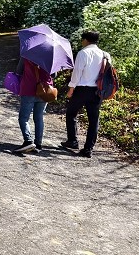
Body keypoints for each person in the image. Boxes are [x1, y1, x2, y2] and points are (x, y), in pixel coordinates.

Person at [61, 29, 108, 158]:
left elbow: (77, 73)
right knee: (93, 120)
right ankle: (88, 149)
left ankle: (73, 140)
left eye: (82, 39)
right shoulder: (105, 54)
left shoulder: (83, 53)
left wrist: (71, 89)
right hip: (97, 91)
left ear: (86, 40)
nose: (82, 41)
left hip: (82, 89)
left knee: (71, 113)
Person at [14, 56, 54, 154]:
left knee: (23, 118)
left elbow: (19, 71)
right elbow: (54, 74)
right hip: (44, 90)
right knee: (39, 118)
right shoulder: (50, 56)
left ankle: (28, 141)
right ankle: (38, 144)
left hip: (29, 89)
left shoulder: (26, 55)